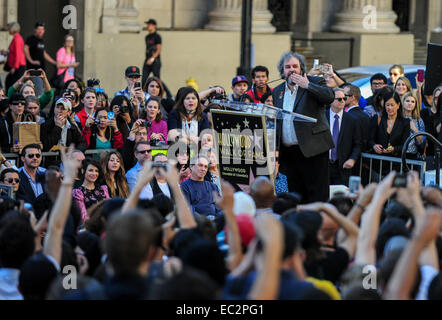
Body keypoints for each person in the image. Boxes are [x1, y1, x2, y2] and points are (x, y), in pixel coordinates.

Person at [272, 52, 334, 203]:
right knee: (295, 196)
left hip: (313, 150)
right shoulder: (277, 91)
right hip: (290, 153)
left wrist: (307, 86)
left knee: (316, 196)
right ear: (282, 71)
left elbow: (329, 97)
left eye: (295, 66)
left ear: (301, 69)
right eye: (287, 67)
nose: (291, 70)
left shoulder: (314, 82)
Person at [326, 88, 362, 186]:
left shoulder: (352, 120)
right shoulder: (322, 116)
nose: (342, 101)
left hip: (343, 167)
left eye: (344, 98)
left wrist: (352, 159)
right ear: (330, 100)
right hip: (323, 166)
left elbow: (358, 143)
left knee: (340, 198)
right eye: (339, 99)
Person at [369, 91, 410, 158]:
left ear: (398, 105)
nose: (390, 108)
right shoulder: (377, 119)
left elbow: (405, 145)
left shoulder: (405, 122)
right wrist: (374, 146)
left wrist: (394, 149)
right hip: (378, 161)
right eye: (387, 105)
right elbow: (370, 140)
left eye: (392, 105)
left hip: (395, 162)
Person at [180, 155, 222, 219]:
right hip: (197, 224)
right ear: (191, 166)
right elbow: (188, 209)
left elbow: (219, 207)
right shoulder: (184, 186)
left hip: (215, 223)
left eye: (205, 167)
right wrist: (205, 220)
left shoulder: (213, 186)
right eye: (200, 165)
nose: (203, 169)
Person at [72, 158, 110, 223]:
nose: (94, 173)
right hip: (90, 227)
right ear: (83, 171)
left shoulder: (103, 189)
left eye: (96, 171)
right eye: (90, 170)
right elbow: (83, 217)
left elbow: (109, 208)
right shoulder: (78, 192)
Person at [343, 84, 371, 153]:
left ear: (352, 97)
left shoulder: (348, 116)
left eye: (344, 95)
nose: (342, 98)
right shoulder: (365, 115)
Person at [420, 85, 442, 170]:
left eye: (440, 98)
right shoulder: (426, 112)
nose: (438, 100)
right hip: (430, 155)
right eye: (436, 98)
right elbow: (430, 135)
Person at [2, 22, 26, 92]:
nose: (8, 30)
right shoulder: (16, 38)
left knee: (12, 84)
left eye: (9, 28)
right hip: (17, 66)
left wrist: (14, 67)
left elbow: (18, 54)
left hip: (18, 67)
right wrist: (6, 52)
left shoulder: (17, 39)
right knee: (9, 82)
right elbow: (13, 51)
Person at [402, 92, 426, 160]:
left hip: (412, 155)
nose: (410, 103)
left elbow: (421, 142)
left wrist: (414, 129)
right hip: (397, 154)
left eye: (413, 102)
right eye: (407, 101)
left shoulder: (419, 120)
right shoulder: (397, 117)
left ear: (415, 104)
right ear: (403, 102)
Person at [142, 19, 162, 87]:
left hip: (155, 61)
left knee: (157, 80)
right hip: (147, 60)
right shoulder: (147, 37)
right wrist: (148, 59)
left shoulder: (157, 36)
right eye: (147, 24)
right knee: (143, 79)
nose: (147, 26)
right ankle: (142, 95)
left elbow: (158, 49)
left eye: (149, 24)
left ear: (154, 26)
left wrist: (152, 59)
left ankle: (168, 94)